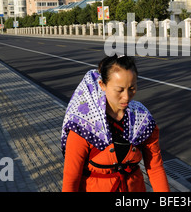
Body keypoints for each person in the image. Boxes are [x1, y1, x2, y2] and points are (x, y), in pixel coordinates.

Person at [61, 54, 170, 192]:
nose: (126, 96)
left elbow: (155, 168)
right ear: (102, 85)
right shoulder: (84, 123)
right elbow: (72, 177)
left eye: (132, 88)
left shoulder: (142, 119)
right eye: (119, 90)